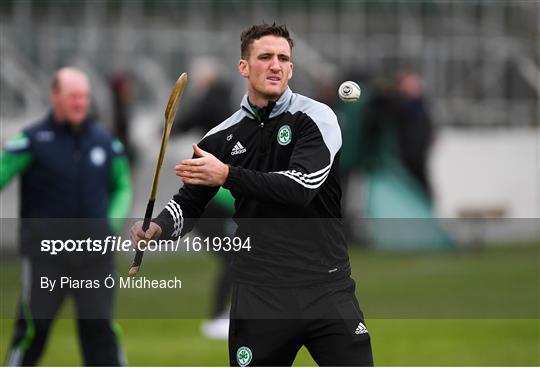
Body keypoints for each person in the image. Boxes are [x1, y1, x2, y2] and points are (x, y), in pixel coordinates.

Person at [131, 23, 373, 366]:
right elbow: (190, 201)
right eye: (265, 57)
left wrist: (227, 174)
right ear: (244, 66)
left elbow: (299, 188)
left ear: (290, 68)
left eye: (283, 58)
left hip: (325, 289)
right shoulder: (221, 136)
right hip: (258, 296)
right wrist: (157, 228)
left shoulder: (317, 119)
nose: (275, 65)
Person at [1, 67, 132, 366]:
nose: (80, 103)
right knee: (34, 329)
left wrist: (111, 225)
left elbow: (122, 185)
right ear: (54, 96)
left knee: (100, 330)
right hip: (47, 257)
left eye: (84, 96)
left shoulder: (105, 141)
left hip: (95, 258)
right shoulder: (32, 140)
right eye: (73, 96)